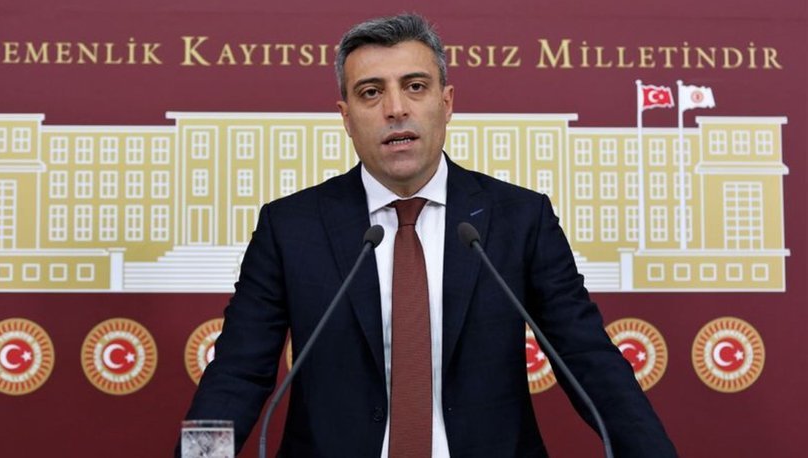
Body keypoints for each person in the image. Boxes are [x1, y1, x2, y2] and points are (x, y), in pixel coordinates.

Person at [180, 13, 677, 457]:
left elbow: (587, 360)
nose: (395, 108)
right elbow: (237, 374)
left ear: (446, 102)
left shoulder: (519, 218)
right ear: (346, 118)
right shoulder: (291, 227)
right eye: (371, 92)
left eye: (415, 86)